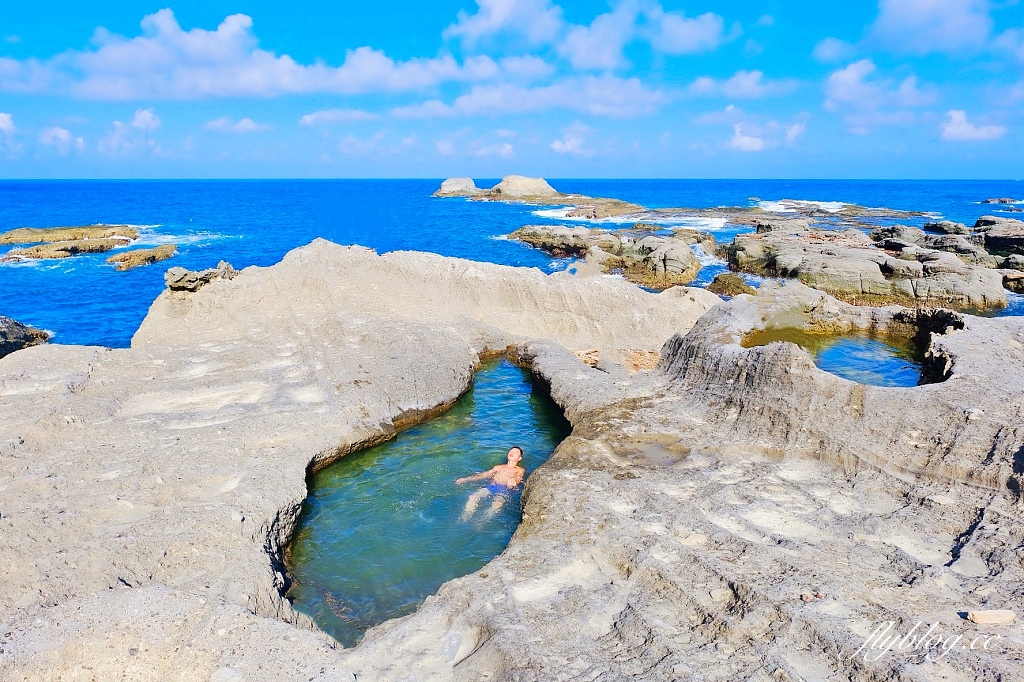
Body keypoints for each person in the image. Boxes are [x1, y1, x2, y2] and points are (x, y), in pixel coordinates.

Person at [456, 446, 525, 522]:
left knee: (496, 506)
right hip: (492, 486)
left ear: (519, 458)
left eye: (515, 452)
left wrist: (514, 480)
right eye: (511, 451)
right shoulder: (498, 467)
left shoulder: (519, 470)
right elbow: (484, 475)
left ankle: (481, 521)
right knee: (473, 496)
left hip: (504, 490)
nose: (512, 452)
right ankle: (465, 516)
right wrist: (466, 479)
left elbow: (519, 478)